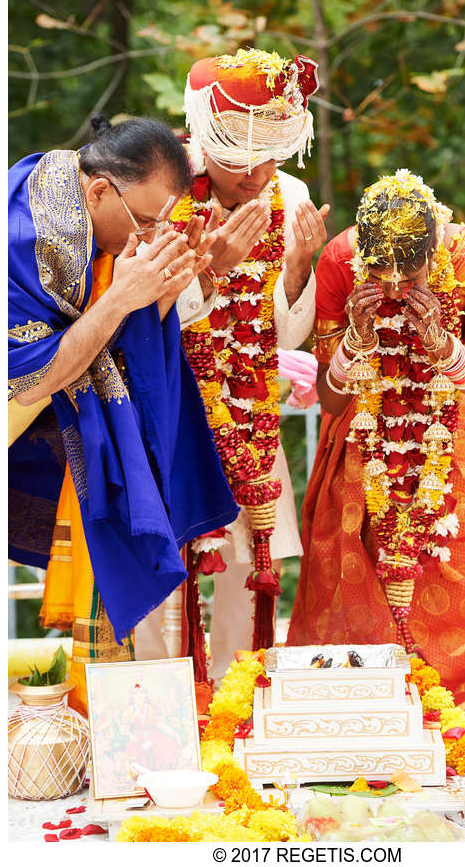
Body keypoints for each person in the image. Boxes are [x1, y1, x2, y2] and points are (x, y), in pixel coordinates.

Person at [8, 114, 242, 713]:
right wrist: (124, 296)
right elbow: (34, 375)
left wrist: (170, 284)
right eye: (143, 222)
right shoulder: (24, 238)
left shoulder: (80, 197)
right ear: (98, 190)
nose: (146, 235)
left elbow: (110, 337)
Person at [287, 170, 465, 723]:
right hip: (365, 446)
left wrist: (445, 349)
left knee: (460, 564)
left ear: (433, 250)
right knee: (354, 561)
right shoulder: (340, 263)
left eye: (408, 273)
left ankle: (453, 694)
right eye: (379, 271)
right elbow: (331, 402)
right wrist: (355, 343)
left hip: (449, 445)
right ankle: (367, 697)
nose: (391, 287)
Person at [145, 48, 329, 682]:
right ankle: (158, 708)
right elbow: (140, 314)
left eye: (272, 156)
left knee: (253, 557)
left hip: (251, 411)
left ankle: (236, 699)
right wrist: (209, 270)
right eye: (240, 158)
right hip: (170, 410)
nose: (257, 175)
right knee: (169, 557)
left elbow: (283, 332)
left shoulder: (291, 194)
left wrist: (301, 268)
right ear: (202, 139)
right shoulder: (162, 190)